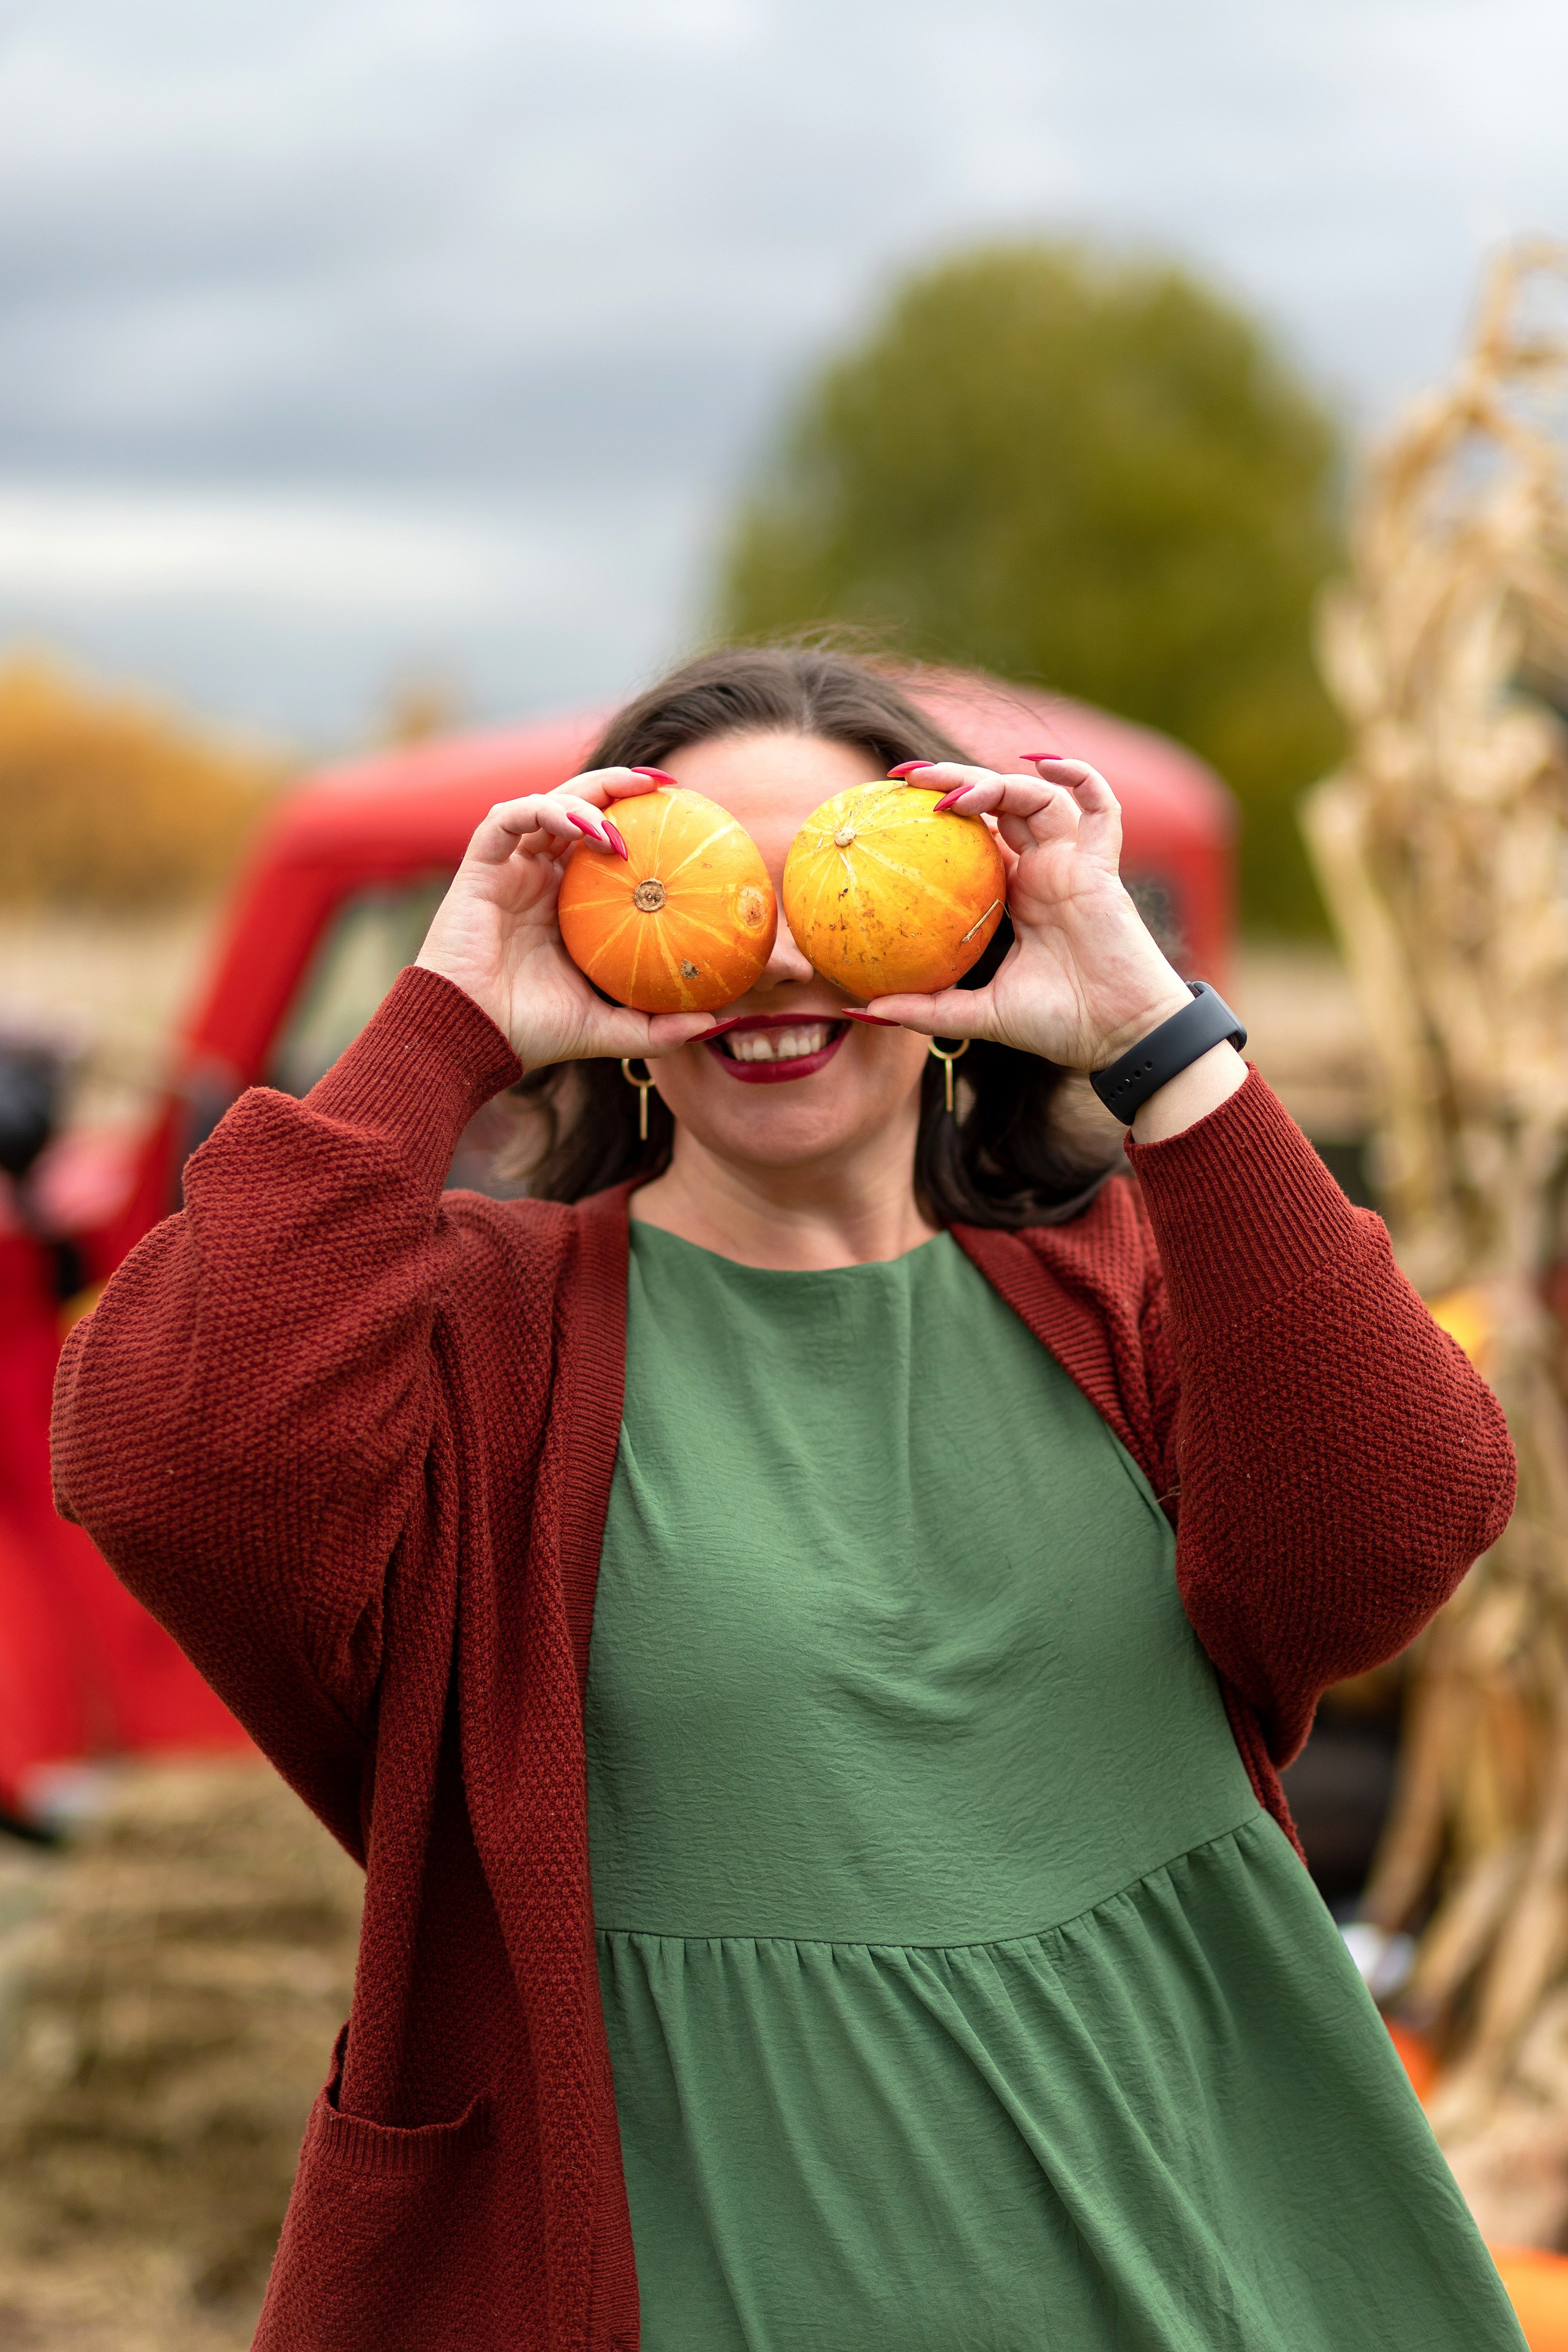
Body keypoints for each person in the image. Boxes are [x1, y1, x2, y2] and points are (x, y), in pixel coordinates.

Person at [52, 647, 1523, 2352]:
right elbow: (166, 1458)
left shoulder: (1127, 1296)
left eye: (837, 879)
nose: (770, 949)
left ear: (962, 913)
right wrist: (445, 1022)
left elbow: (1405, 1514)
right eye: (705, 880)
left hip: (1216, 2268)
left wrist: (1157, 1037)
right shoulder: (480, 1334)